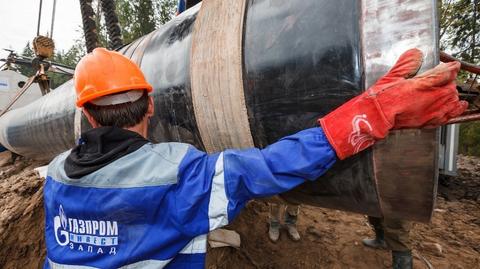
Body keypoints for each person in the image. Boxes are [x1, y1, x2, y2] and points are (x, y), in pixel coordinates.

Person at [43, 48, 466, 268]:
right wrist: (370, 113)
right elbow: (275, 166)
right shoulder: (180, 175)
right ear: (150, 106)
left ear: (85, 114)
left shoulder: (56, 177)